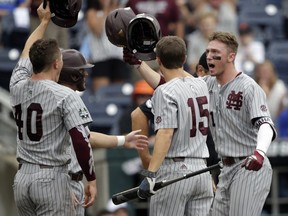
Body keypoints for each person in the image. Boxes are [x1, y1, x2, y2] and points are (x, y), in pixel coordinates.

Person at [126, 31, 277, 216]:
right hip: (225, 168)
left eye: (216, 53)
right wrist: (139, 64)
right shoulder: (206, 84)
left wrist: (260, 152)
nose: (210, 57)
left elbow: (265, 124)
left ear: (231, 56)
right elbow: (169, 84)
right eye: (208, 52)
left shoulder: (249, 87)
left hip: (249, 164)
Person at [9, 3, 97, 215]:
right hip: (51, 178)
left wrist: (43, 23)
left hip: (22, 179)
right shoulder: (65, 95)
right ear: (57, 64)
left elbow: (25, 53)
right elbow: (80, 140)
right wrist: (92, 179)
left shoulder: (16, 84)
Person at [59, 48, 149, 215]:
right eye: (81, 71)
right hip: (60, 179)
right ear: (72, 74)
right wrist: (87, 181)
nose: (86, 75)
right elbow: (82, 140)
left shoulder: (46, 95)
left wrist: (123, 140)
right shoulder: (68, 98)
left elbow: (87, 136)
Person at [136, 36, 214, 216]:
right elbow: (180, 77)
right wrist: (138, 64)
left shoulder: (164, 91)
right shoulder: (201, 84)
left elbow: (165, 134)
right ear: (185, 58)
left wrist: (151, 173)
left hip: (175, 170)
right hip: (202, 171)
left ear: (158, 60)